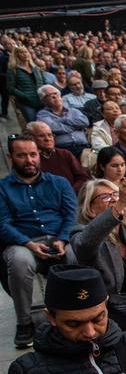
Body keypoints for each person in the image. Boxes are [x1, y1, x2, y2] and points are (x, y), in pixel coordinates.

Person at [0, 134, 75, 348]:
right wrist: (29, 244)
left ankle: (72, 312)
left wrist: (62, 239)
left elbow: (70, 215)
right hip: (23, 242)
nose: (29, 160)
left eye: (33, 154)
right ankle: (25, 322)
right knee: (19, 261)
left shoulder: (58, 183)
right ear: (11, 157)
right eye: (22, 155)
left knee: (74, 254)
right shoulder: (2, 188)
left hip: (57, 237)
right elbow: (3, 224)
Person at [27, 120, 90, 192]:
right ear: (31, 138)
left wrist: (69, 192)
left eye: (50, 135)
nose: (47, 139)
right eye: (41, 136)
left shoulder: (65, 154)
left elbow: (83, 177)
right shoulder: (29, 159)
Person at [36, 84, 90, 158]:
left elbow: (85, 122)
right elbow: (53, 128)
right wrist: (75, 127)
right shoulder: (42, 115)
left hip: (84, 147)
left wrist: (62, 120)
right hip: (62, 149)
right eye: (49, 95)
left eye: (55, 93)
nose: (55, 96)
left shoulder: (74, 111)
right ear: (44, 100)